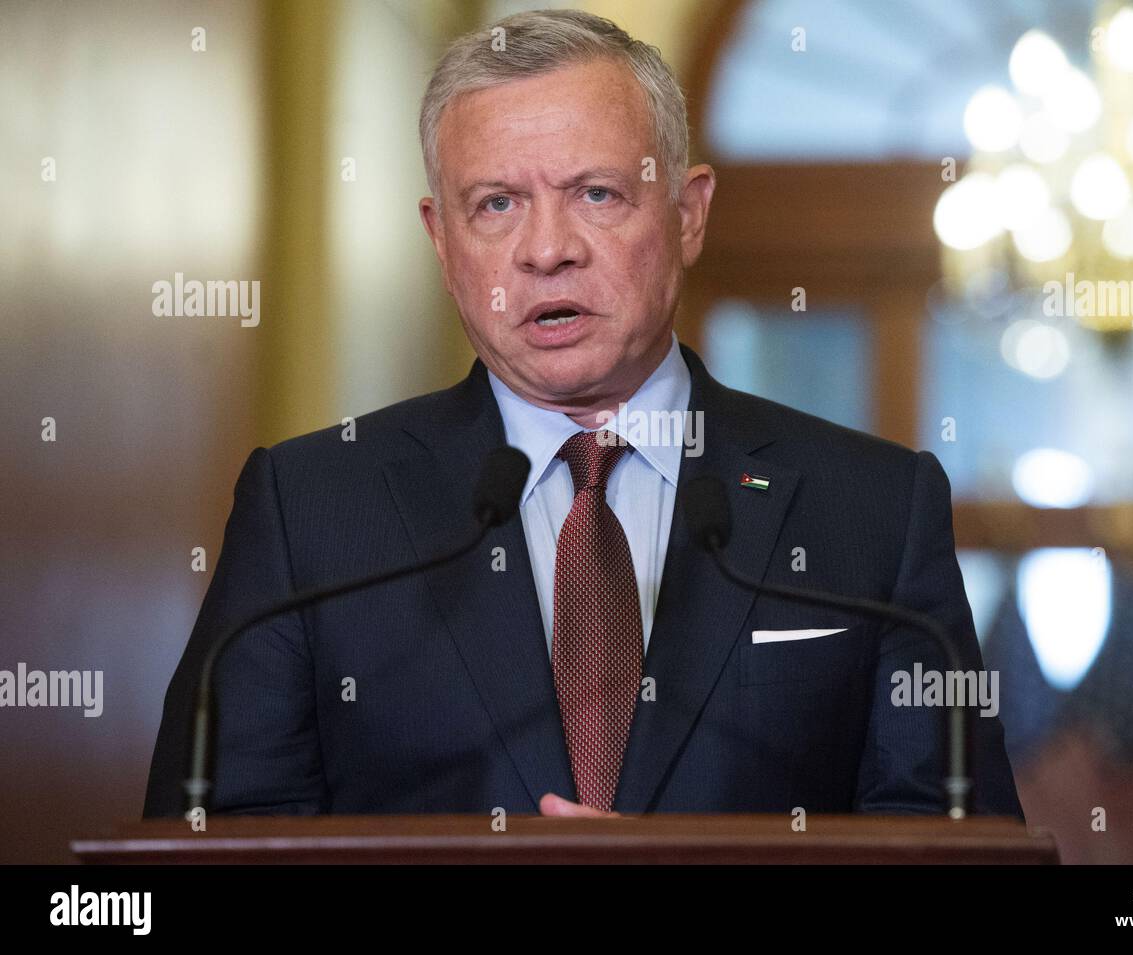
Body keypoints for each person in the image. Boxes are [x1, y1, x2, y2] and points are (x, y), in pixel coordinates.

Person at [144, 8, 1022, 820]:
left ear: (687, 215)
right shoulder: (312, 513)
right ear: (442, 244)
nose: (547, 250)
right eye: (496, 204)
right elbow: (212, 846)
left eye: (597, 193)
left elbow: (951, 845)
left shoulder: (873, 509)